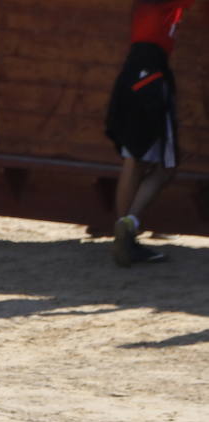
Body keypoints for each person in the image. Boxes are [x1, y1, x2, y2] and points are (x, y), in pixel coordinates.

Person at [104, 0, 196, 266]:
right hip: (151, 76)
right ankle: (128, 226)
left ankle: (123, 232)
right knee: (165, 168)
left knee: (133, 159)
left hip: (133, 72)